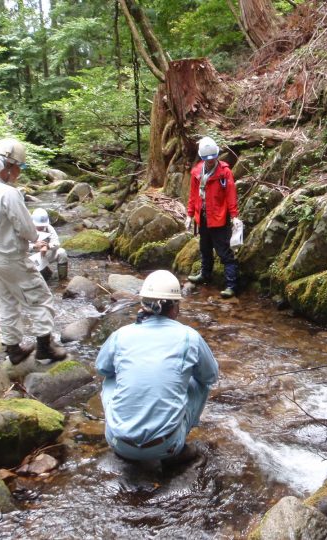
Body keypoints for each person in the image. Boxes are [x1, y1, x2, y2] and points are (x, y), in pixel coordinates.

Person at [96, 270, 219, 465]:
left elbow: (102, 369)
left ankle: (126, 434)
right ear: (174, 307)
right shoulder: (189, 337)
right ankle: (179, 439)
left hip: (118, 444)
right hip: (167, 447)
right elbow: (211, 377)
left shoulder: (121, 335)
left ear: (143, 303)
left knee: (110, 377)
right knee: (200, 382)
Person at [0, 138, 67, 365]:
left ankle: (13, 348)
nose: (19, 172)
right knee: (40, 298)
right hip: (12, 258)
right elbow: (26, 228)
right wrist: (37, 240)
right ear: (6, 166)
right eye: (19, 167)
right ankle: (45, 347)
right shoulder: (9, 194)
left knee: (7, 302)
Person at [186, 136, 241, 299]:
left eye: (213, 158)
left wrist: (234, 216)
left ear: (217, 155)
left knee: (224, 252)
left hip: (219, 218)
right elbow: (193, 196)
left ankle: (231, 285)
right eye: (207, 159)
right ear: (202, 158)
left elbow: (231, 195)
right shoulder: (196, 172)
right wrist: (189, 215)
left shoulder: (224, 173)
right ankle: (205, 274)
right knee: (204, 248)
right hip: (202, 218)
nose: (210, 161)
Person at [30, 208, 68, 280]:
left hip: (44, 255)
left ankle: (63, 280)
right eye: (38, 225)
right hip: (30, 258)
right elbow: (21, 247)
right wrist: (34, 246)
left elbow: (56, 243)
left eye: (42, 225)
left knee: (62, 252)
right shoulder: (27, 229)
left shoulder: (49, 228)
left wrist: (47, 246)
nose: (41, 227)